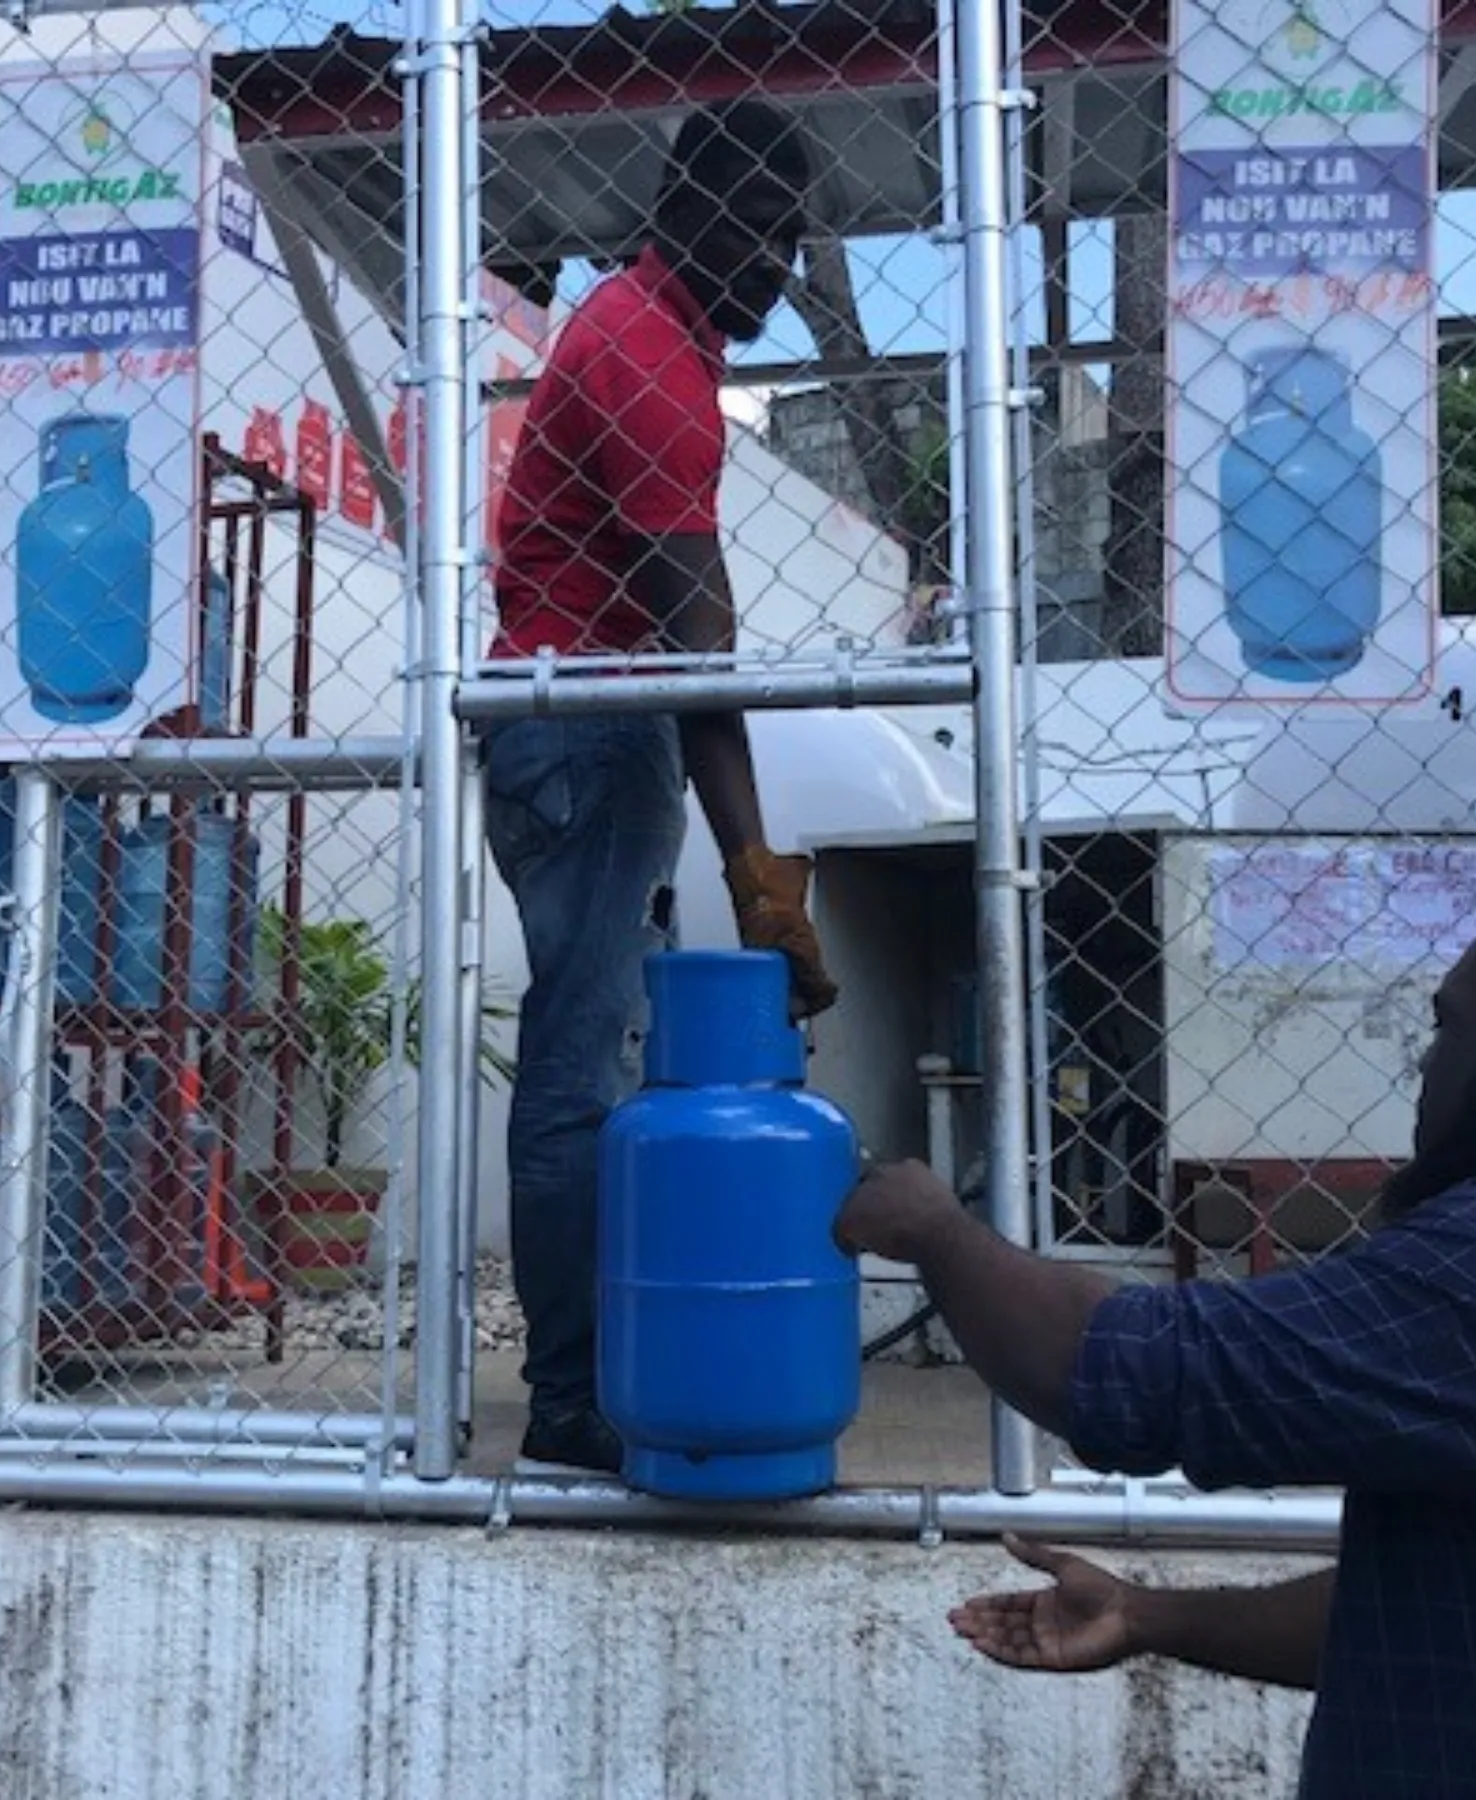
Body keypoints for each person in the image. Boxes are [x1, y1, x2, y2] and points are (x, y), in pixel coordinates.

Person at [835, 877, 1476, 1796]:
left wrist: (934, 1230)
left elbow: (1128, 1376)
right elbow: (1461, 1618)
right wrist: (1154, 1617)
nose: (1424, 1068)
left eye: (1444, 1030)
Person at [482, 99, 840, 1475]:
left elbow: (688, 659)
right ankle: (569, 1404)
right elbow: (701, 645)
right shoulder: (641, 351)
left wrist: (761, 884)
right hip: (584, 733)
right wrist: (762, 882)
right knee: (581, 1070)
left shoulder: (666, 347)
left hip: (592, 726)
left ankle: (600, 1375)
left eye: (788, 240)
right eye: (751, 228)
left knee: (611, 1062)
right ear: (683, 208)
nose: (771, 265)